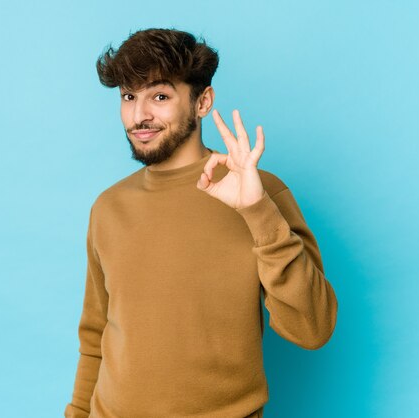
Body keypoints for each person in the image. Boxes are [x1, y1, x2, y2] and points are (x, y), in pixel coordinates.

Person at [64, 28, 338, 418]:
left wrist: (257, 211)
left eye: (159, 96)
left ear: (203, 102)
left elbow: (314, 329)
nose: (140, 114)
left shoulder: (258, 192)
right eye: (129, 96)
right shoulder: (109, 207)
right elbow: (95, 337)